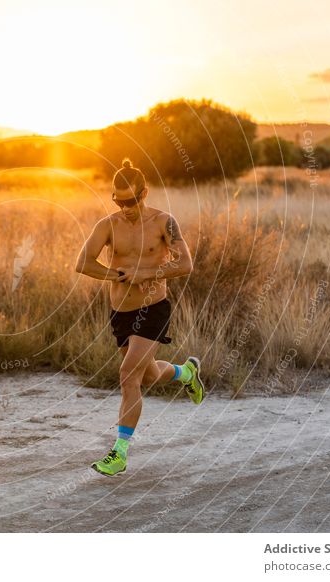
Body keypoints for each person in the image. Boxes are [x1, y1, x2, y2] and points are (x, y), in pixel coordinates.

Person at [74, 158, 204, 477]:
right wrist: (117, 275)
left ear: (144, 193)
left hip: (152, 309)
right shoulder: (107, 225)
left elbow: (185, 264)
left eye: (131, 201)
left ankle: (119, 453)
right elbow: (83, 263)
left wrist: (145, 272)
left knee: (127, 376)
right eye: (119, 201)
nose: (125, 207)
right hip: (120, 312)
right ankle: (185, 372)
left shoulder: (164, 222)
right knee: (144, 376)